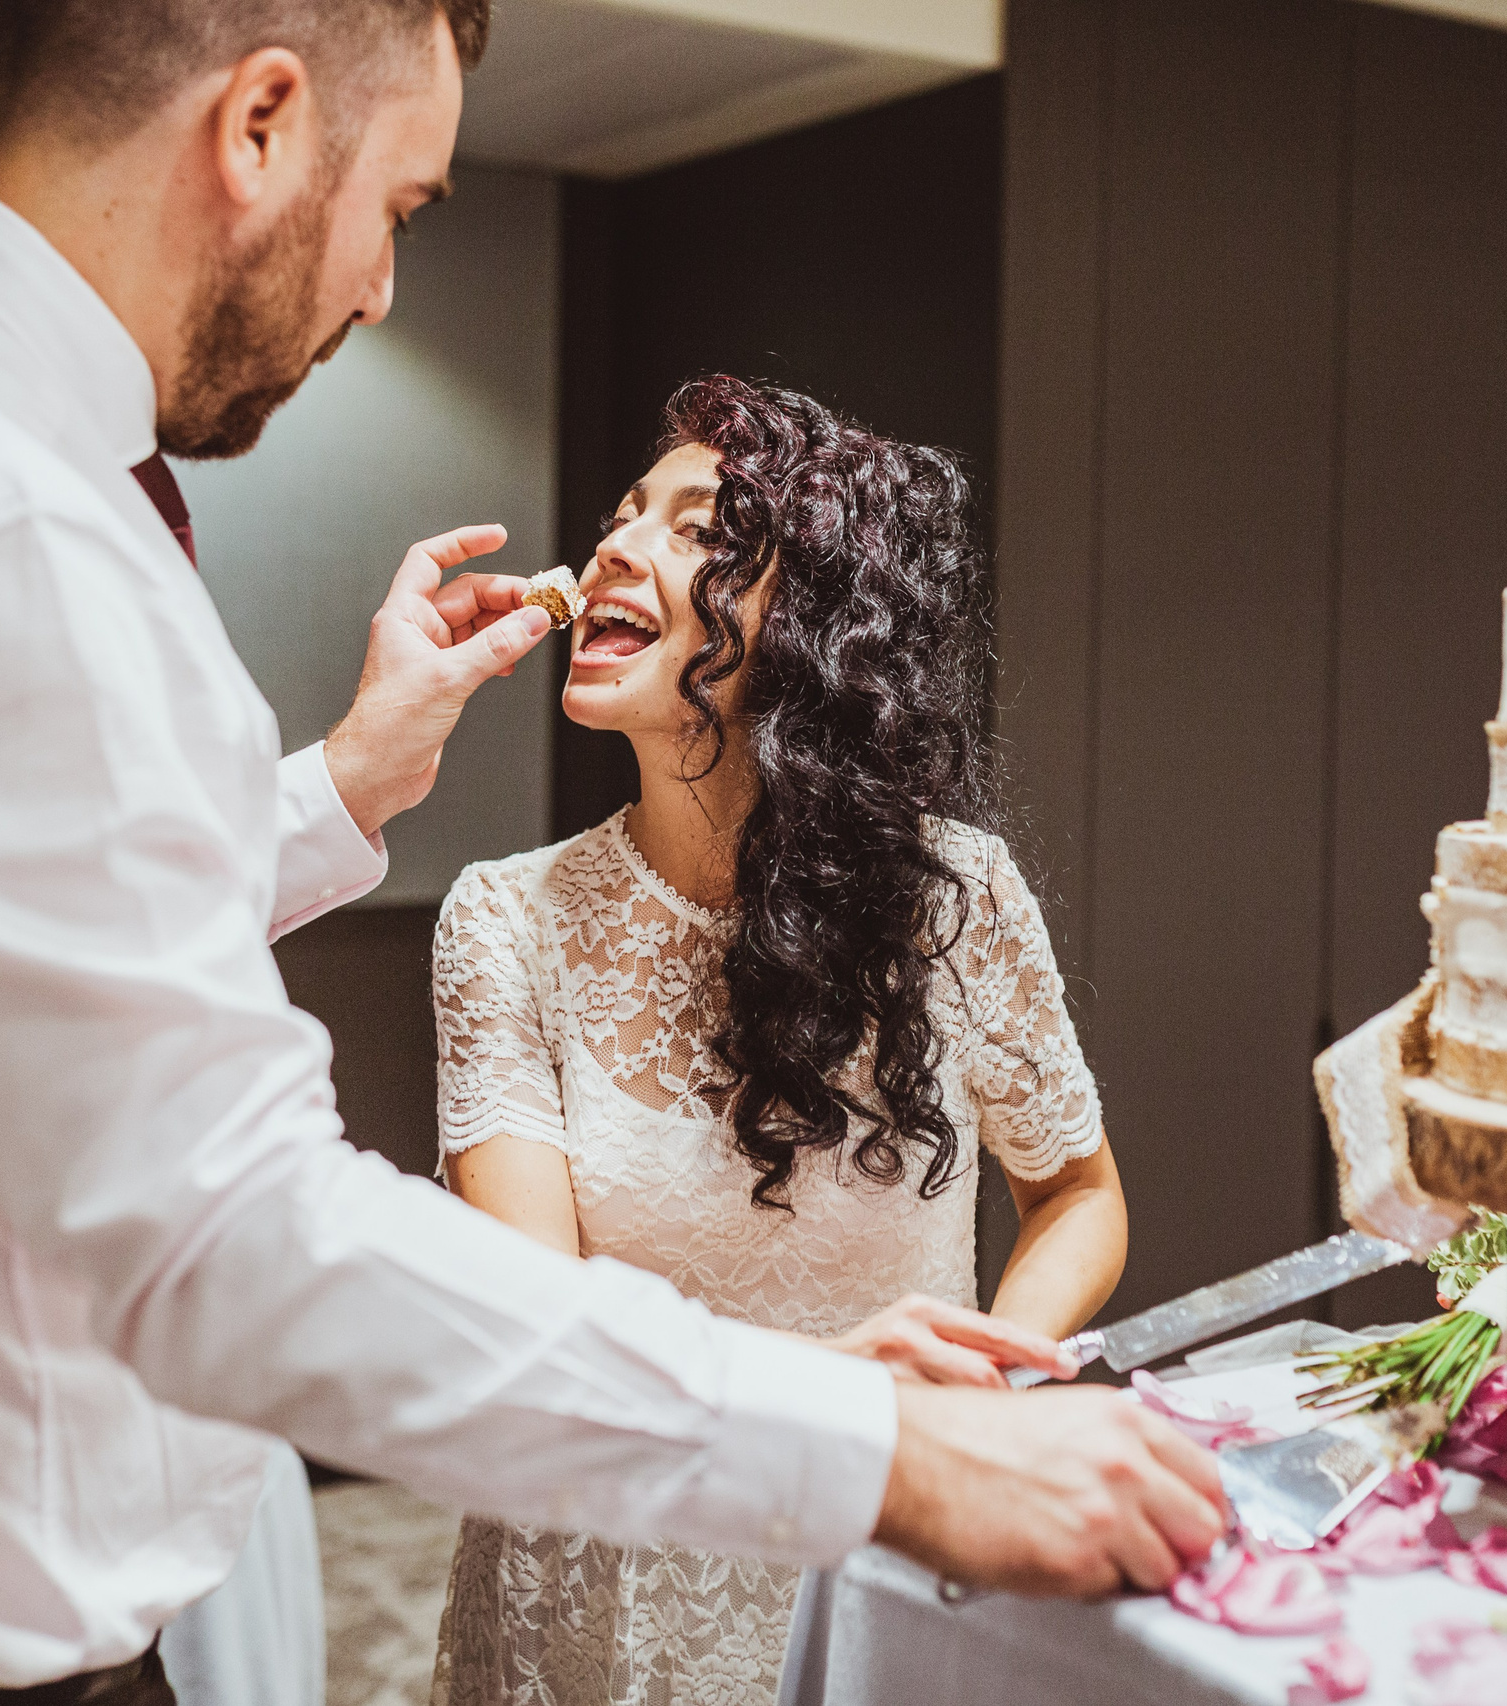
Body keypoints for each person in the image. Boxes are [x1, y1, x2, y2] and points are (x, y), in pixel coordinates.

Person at [0, 3, 1228, 1701]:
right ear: (259, 127)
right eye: (395, 210)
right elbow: (231, 1236)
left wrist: (334, 790)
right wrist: (876, 1446)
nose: (382, 290)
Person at [430, 379, 1134, 1705]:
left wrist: (977, 1384)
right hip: (613, 1578)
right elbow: (537, 1334)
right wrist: (836, 1386)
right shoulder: (504, 923)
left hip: (878, 1542)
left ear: (807, 626)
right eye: (624, 514)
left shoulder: (956, 897)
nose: (616, 548)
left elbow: (1079, 1196)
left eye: (698, 528)